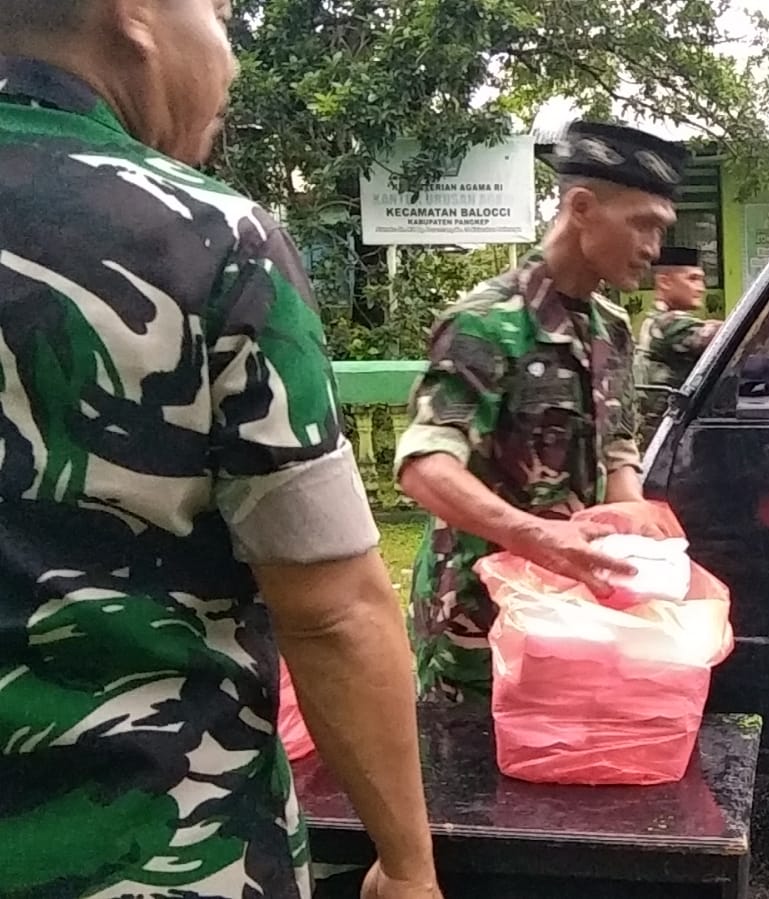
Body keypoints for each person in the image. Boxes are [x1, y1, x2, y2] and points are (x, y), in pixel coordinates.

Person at [0, 2, 439, 898]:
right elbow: (332, 611)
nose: (231, 59)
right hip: (162, 851)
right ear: (135, 16)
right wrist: (407, 866)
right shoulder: (207, 241)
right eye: (219, 10)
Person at [397, 120, 687, 704]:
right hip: (479, 628)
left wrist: (633, 514)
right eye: (643, 224)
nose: (654, 249)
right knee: (476, 764)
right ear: (581, 208)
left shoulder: (611, 329)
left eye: (662, 230)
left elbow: (616, 446)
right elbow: (425, 466)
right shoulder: (486, 322)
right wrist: (535, 536)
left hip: (574, 616)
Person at [635, 245, 721, 444]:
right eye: (692, 279)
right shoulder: (668, 324)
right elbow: (730, 335)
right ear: (665, 282)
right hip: (672, 438)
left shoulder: (654, 320)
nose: (701, 288)